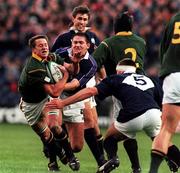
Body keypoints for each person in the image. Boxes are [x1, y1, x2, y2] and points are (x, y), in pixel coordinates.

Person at [45, 58, 164, 173]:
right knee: (163, 142)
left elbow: (91, 90)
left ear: (120, 70)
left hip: (132, 115)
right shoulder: (149, 79)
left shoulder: (114, 76)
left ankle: (112, 159)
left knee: (109, 138)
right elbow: (161, 99)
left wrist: (62, 99)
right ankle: (166, 162)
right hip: (154, 113)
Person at [93, 11, 147, 173]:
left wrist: (102, 79)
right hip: (143, 87)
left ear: (115, 27)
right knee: (130, 131)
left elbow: (93, 62)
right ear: (131, 26)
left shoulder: (108, 43)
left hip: (121, 88)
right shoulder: (141, 42)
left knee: (116, 132)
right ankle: (136, 168)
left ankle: (113, 158)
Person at [51, 4, 104, 166]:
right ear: (73, 19)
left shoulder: (92, 37)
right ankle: (53, 157)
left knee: (92, 127)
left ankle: (101, 159)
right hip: (62, 85)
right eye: (79, 18)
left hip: (85, 83)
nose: (82, 21)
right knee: (56, 124)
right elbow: (51, 60)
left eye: (85, 19)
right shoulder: (63, 38)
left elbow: (99, 62)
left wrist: (104, 79)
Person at [18, 35, 80, 172]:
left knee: (55, 126)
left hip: (46, 99)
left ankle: (71, 157)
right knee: (46, 136)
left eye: (45, 44)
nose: (45, 47)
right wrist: (65, 77)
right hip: (31, 105)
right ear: (33, 50)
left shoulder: (51, 57)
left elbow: (71, 69)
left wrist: (75, 63)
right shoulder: (34, 67)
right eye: (40, 45)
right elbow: (55, 92)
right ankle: (56, 159)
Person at [149, 12, 180, 173]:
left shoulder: (174, 19)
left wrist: (166, 73)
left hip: (172, 75)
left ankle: (153, 171)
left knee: (166, 129)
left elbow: (163, 50)